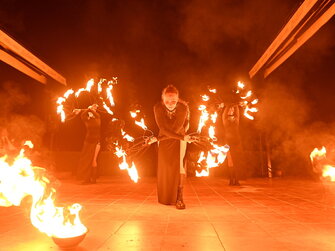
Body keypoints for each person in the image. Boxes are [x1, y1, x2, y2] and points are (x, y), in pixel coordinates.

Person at [153, 85, 195, 209]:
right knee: (165, 168)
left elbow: (176, 129)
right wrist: (159, 139)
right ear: (162, 99)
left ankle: (179, 197)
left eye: (173, 101)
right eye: (167, 101)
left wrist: (157, 139)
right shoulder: (157, 107)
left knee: (180, 167)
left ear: (178, 99)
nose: (170, 104)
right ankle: (166, 197)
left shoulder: (183, 107)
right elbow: (163, 129)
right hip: (165, 140)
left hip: (180, 139)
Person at [76, 104, 101, 184]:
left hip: (96, 142)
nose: (91, 113)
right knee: (86, 160)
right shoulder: (86, 120)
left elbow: (96, 114)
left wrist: (91, 109)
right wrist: (88, 109)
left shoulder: (97, 118)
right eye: (90, 112)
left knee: (93, 160)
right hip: (88, 141)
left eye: (93, 112)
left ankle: (93, 179)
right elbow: (82, 115)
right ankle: (87, 179)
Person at [222, 103, 242, 186]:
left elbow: (237, 112)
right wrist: (227, 106)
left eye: (232, 110)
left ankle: (236, 180)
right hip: (227, 143)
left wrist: (236, 105)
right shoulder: (225, 119)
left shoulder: (236, 119)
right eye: (230, 109)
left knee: (237, 161)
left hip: (236, 141)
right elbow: (224, 113)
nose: (231, 110)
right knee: (230, 162)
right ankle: (231, 180)